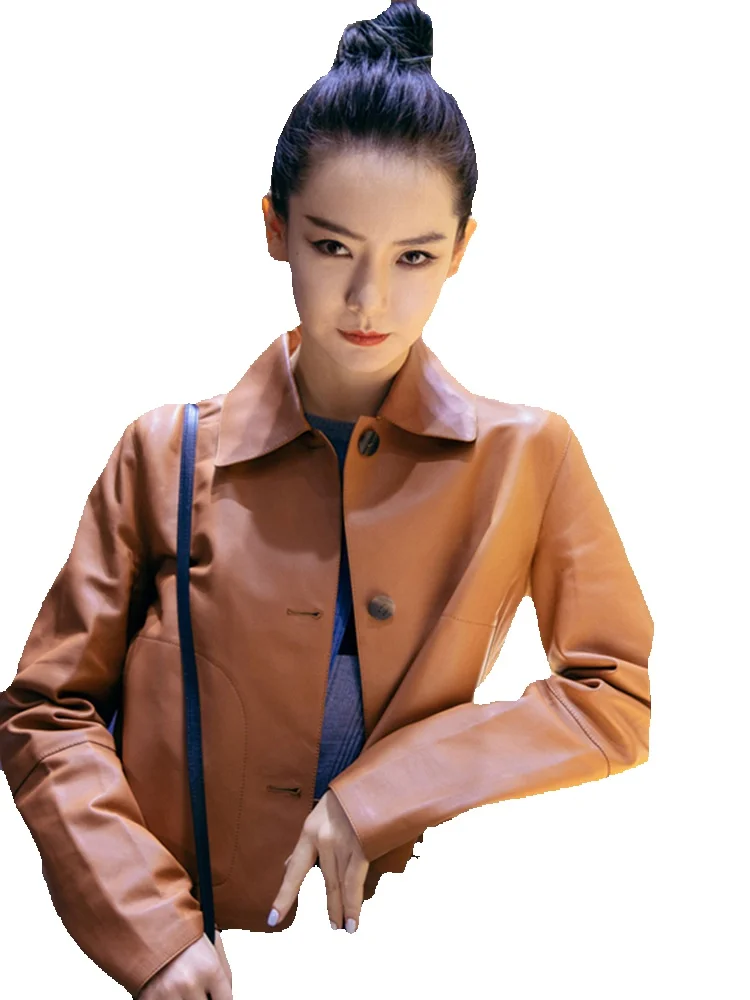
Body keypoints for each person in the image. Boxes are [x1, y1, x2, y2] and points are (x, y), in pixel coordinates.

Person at [0, 2, 653, 998]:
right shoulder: (163, 453)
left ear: (463, 248)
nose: (369, 300)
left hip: (419, 954)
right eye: (334, 245)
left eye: (414, 256)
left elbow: (614, 698)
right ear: (276, 229)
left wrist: (384, 790)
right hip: (189, 958)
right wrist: (152, 934)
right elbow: (48, 711)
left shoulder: (531, 457)